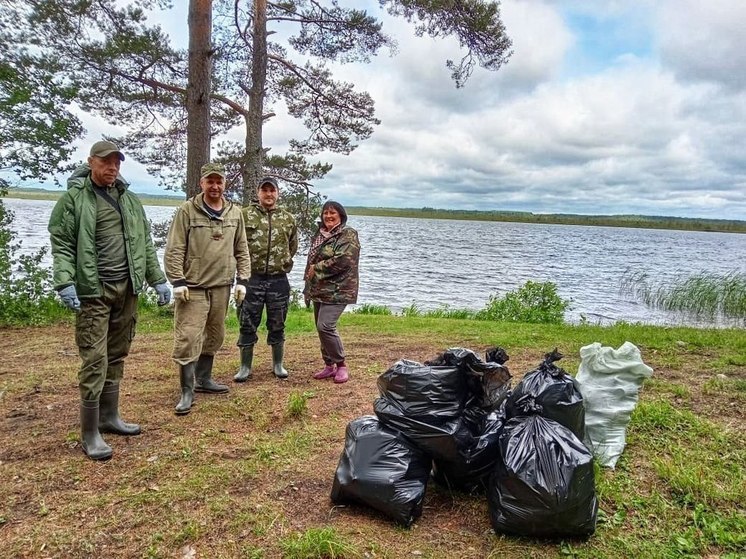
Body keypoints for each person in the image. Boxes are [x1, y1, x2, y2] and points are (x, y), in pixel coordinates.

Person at [48, 140, 171, 461]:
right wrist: (64, 282)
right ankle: (90, 432)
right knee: (94, 359)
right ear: (91, 162)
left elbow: (144, 244)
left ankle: (109, 417)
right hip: (93, 292)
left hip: (127, 290)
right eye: (106, 162)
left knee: (117, 354)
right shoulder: (74, 200)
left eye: (117, 162)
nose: (112, 167)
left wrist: (157, 280)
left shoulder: (130, 201)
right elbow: (61, 244)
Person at [164, 162, 251, 415]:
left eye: (219, 181)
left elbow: (242, 249)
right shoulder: (187, 211)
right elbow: (175, 248)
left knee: (215, 334)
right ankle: (186, 389)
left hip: (222, 286)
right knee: (189, 336)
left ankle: (204, 379)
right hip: (193, 287)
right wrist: (177, 281)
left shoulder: (234, 213)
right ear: (201, 183)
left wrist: (243, 280)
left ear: (224, 184)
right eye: (209, 181)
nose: (215, 186)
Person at [235, 177, 298, 381]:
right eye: (265, 190)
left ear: (278, 193)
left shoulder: (288, 218)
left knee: (278, 322)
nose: (269, 194)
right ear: (258, 193)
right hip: (251, 279)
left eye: (272, 191)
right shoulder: (244, 215)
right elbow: (236, 245)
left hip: (278, 280)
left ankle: (278, 364)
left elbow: (292, 246)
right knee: (247, 322)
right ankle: (245, 367)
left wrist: (281, 261)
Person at [303, 200, 360, 384]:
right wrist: (308, 285)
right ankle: (329, 366)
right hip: (319, 289)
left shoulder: (348, 234)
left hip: (339, 289)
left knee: (325, 326)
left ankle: (341, 365)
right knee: (321, 330)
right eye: (325, 213)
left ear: (341, 215)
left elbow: (345, 260)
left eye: (332, 213)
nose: (328, 216)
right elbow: (310, 260)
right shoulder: (319, 234)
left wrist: (317, 268)